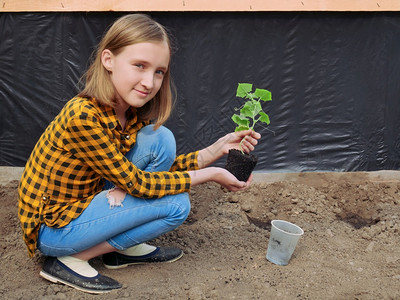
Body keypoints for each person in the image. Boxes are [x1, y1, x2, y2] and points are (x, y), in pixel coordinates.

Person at [17, 14, 260, 294]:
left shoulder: (127, 114)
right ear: (108, 60)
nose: (150, 81)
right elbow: (138, 182)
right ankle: (69, 260)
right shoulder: (82, 116)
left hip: (89, 200)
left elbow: (146, 173)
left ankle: (119, 249)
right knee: (176, 205)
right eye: (139, 66)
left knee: (160, 140)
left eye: (159, 71)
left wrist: (216, 150)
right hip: (55, 228)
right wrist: (212, 175)